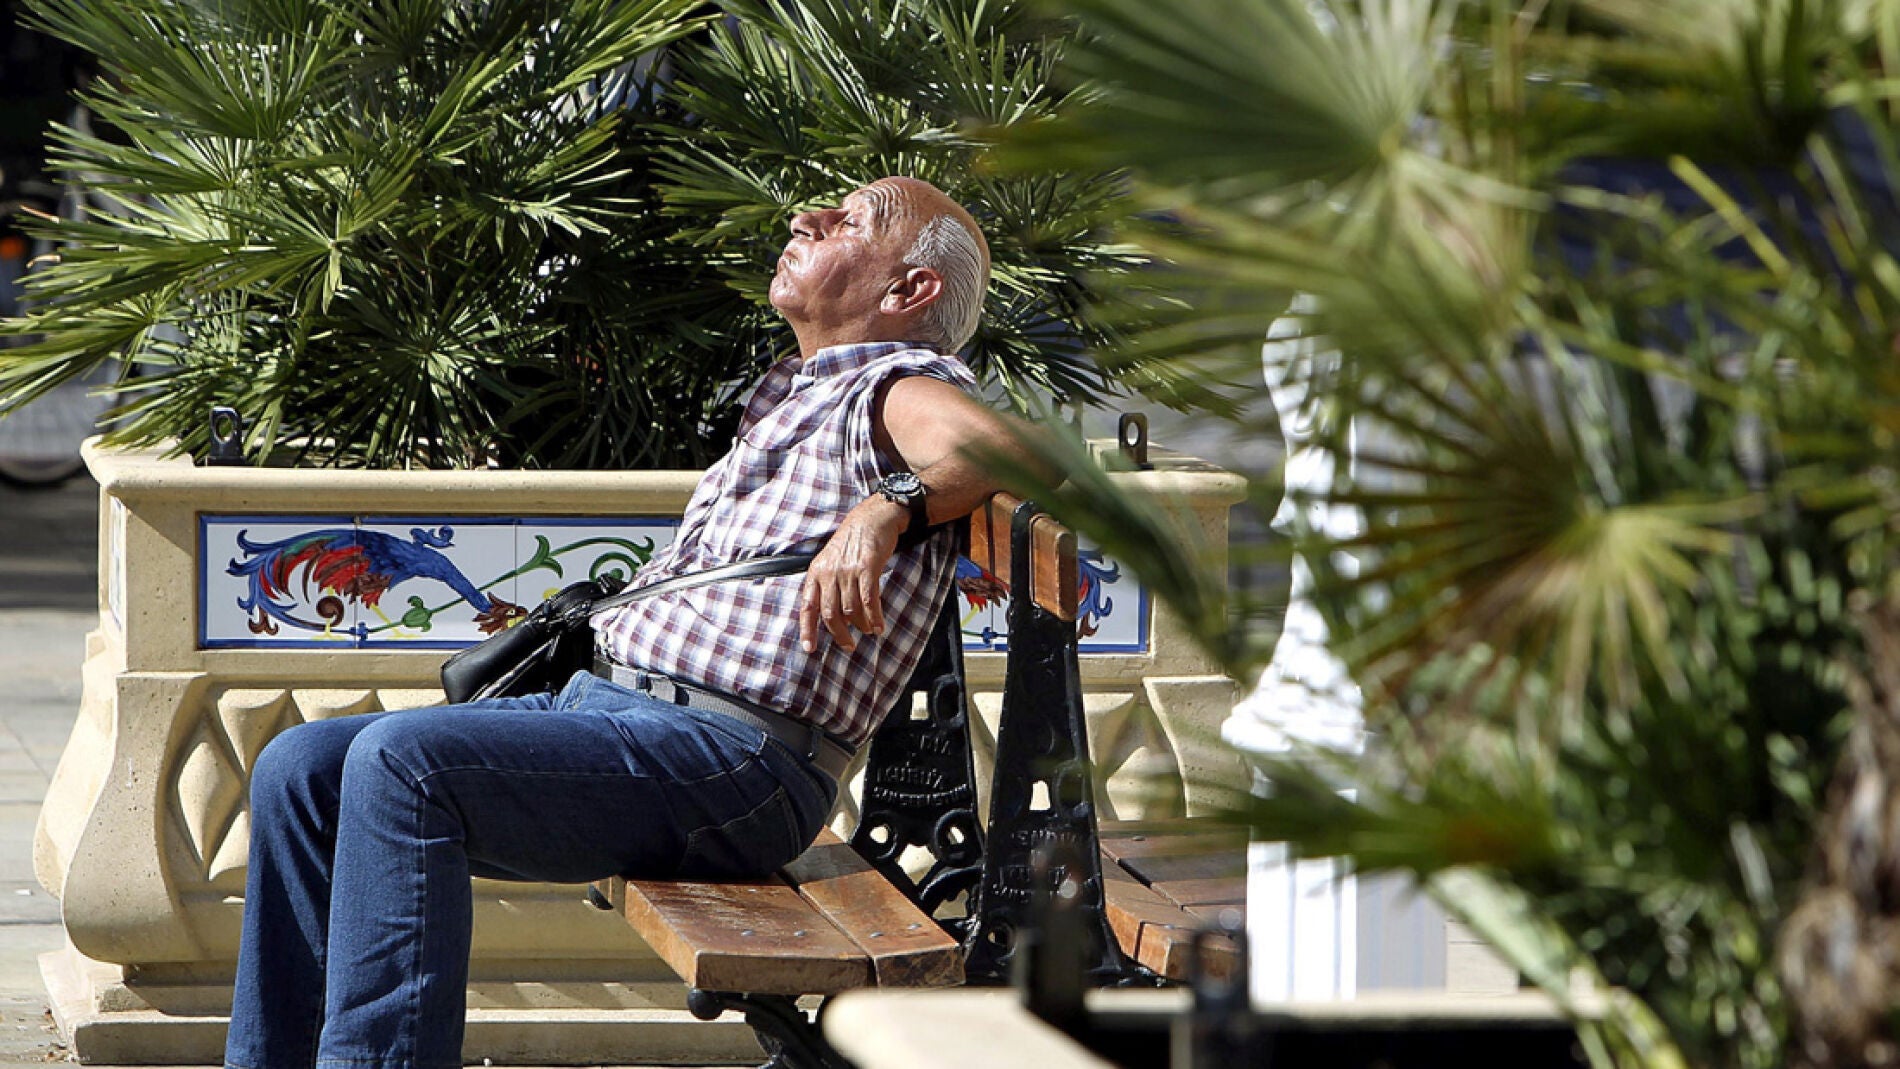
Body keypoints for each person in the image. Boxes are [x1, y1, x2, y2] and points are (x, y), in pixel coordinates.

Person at [225, 176, 1019, 1069]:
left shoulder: (897, 383)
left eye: (848, 221)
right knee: (300, 769)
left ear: (910, 290)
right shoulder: (810, 392)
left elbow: (1013, 448)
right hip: (621, 715)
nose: (806, 218)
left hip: (735, 761)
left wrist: (887, 508)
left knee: (403, 763)